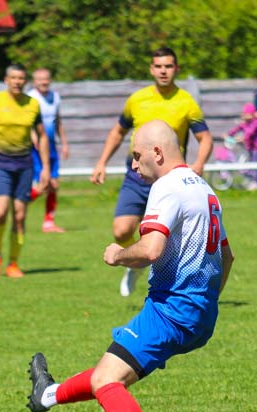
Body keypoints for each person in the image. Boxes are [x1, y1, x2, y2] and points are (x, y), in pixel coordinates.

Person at [28, 120, 234, 412]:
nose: (135, 167)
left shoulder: (166, 187)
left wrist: (118, 255)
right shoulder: (204, 188)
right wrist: (204, 304)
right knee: (113, 370)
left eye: (137, 157)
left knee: (108, 380)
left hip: (171, 309)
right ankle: (47, 394)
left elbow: (151, 250)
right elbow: (228, 257)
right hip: (202, 314)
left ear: (158, 152)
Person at [90, 47, 212, 297]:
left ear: (176, 69)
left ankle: (171, 278)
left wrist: (198, 164)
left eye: (168, 66)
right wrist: (101, 162)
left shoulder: (186, 102)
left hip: (169, 180)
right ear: (151, 69)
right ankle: (135, 263)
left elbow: (206, 138)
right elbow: (117, 132)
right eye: (158, 66)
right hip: (136, 175)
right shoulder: (137, 99)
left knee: (169, 236)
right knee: (121, 230)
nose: (163, 71)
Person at [0, 64, 50, 278]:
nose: (17, 81)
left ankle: (13, 263)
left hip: (24, 164)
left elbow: (42, 136)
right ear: (6, 80)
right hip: (0, 163)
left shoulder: (33, 104)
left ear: (25, 81)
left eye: (21, 78)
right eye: (13, 78)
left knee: (20, 216)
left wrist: (45, 168)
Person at [27, 68, 70, 233]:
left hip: (51, 146)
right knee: (44, 184)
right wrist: (33, 136)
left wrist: (64, 143)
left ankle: (48, 223)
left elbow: (58, 121)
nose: (43, 82)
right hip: (36, 148)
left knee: (54, 185)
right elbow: (27, 121)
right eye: (39, 79)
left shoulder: (55, 97)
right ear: (34, 81)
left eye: (46, 79)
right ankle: (18, 204)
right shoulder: (30, 98)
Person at [226, 103, 257, 190]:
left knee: (254, 163)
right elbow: (237, 128)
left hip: (256, 146)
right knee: (249, 162)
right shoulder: (245, 122)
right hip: (249, 146)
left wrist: (243, 137)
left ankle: (255, 182)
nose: (246, 116)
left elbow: (250, 132)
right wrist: (229, 134)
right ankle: (249, 179)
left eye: (248, 114)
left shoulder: (255, 122)